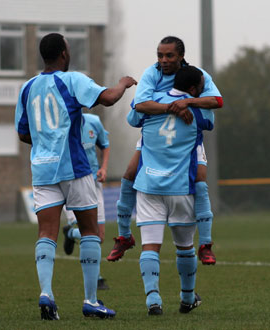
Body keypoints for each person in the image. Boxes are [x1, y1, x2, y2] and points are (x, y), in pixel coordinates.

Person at [14, 32, 136, 320]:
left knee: (46, 233)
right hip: (75, 168)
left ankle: (46, 293)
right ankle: (91, 301)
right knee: (91, 230)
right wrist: (123, 83)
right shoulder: (71, 80)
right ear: (64, 54)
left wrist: (45, 142)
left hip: (42, 169)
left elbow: (22, 132)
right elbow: (107, 98)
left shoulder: (27, 87)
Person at [107, 36, 223, 265]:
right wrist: (174, 108)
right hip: (155, 135)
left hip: (188, 138)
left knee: (200, 180)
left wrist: (187, 103)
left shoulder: (197, 75)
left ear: (181, 56)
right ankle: (124, 236)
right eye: (160, 55)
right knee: (129, 175)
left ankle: (206, 244)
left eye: (169, 55)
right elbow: (140, 105)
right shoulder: (152, 73)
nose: (164, 60)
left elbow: (217, 100)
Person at [127, 66, 214, 315]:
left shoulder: (150, 102)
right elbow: (209, 124)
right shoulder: (198, 110)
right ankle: (187, 298)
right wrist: (189, 104)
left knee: (150, 246)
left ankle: (153, 299)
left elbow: (133, 117)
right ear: (195, 89)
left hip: (150, 185)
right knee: (185, 246)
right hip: (181, 187)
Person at [62, 112, 110, 290]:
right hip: (72, 182)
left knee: (100, 236)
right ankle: (96, 278)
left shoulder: (94, 121)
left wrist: (104, 168)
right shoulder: (61, 123)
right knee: (89, 233)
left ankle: (70, 234)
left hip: (94, 183)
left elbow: (105, 145)